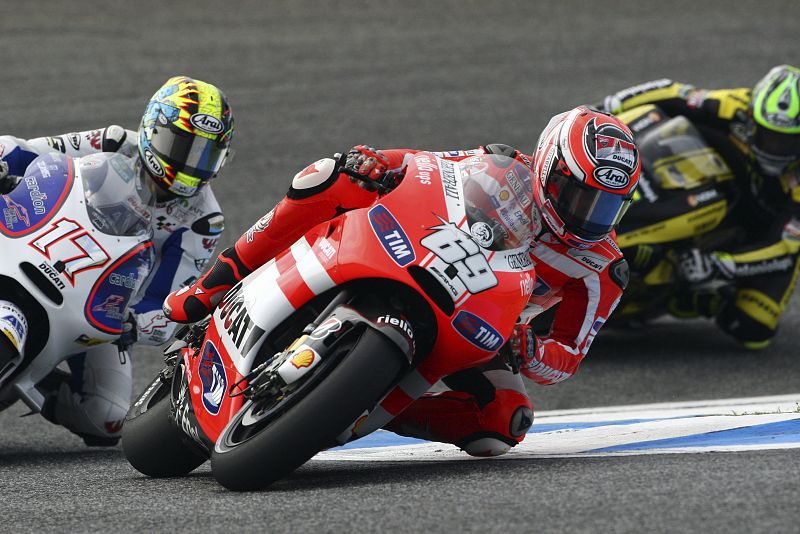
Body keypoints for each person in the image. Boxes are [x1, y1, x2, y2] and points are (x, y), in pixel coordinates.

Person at [164, 106, 639, 457]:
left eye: (605, 206)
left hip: (485, 327)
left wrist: (530, 349)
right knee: (329, 177)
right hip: (418, 255)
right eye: (578, 196)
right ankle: (213, 284)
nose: (586, 217)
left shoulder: (602, 268)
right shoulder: (501, 167)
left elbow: (568, 358)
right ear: (548, 167)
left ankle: (357, 409)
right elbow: (425, 165)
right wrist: (377, 164)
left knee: (504, 423)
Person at [0, 76, 234, 445]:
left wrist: (137, 324)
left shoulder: (204, 219)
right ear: (152, 131)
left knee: (106, 417)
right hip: (38, 238)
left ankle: (34, 375)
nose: (191, 164)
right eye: (181, 146)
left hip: (99, 299)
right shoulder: (111, 141)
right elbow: (32, 152)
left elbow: (171, 300)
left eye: (205, 155)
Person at [598, 65, 800, 349]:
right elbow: (669, 90)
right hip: (706, 182)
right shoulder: (736, 105)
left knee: (752, 325)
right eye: (768, 135)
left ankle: (692, 298)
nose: (773, 147)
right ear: (754, 117)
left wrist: (723, 265)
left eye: (786, 141)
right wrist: (604, 109)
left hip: (762, 235)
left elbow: (785, 246)